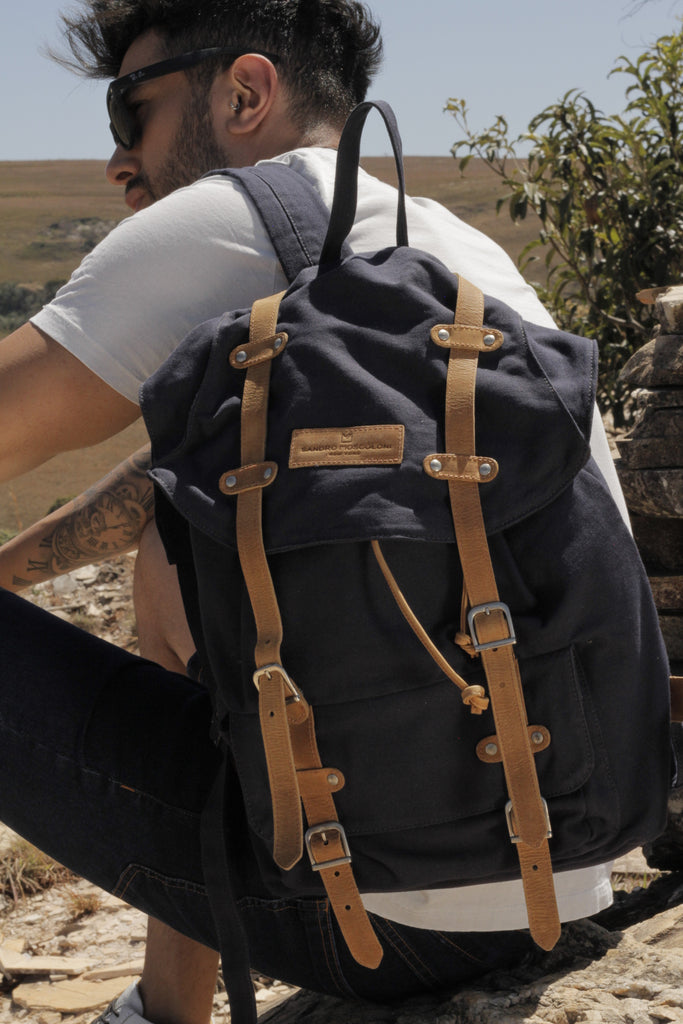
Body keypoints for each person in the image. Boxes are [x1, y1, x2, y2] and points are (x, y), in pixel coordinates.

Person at [0, 2, 635, 1023]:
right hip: (549, 877)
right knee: (188, 520)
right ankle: (165, 1007)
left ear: (246, 91)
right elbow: (160, 484)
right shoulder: (443, 250)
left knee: (175, 555)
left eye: (135, 112)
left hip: (375, 916)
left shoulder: (230, 215)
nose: (119, 161)